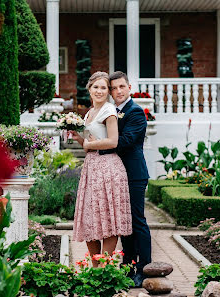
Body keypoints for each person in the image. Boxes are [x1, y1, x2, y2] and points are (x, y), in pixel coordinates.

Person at [71, 71, 132, 267]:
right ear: (89, 89)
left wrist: (89, 145)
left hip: (108, 169)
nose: (99, 91)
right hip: (91, 168)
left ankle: (103, 269)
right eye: (95, 87)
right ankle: (94, 268)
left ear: (108, 92)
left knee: (108, 217)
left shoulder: (109, 110)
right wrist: (78, 138)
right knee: (90, 218)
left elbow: (113, 141)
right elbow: (89, 143)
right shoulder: (89, 113)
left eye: (103, 88)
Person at [100, 71, 151, 287]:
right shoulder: (112, 111)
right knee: (124, 224)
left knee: (137, 221)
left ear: (129, 87)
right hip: (117, 175)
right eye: (114, 88)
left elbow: (127, 141)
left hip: (134, 175)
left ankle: (144, 269)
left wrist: (98, 147)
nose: (118, 91)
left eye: (122, 87)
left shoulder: (136, 112)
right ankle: (128, 266)